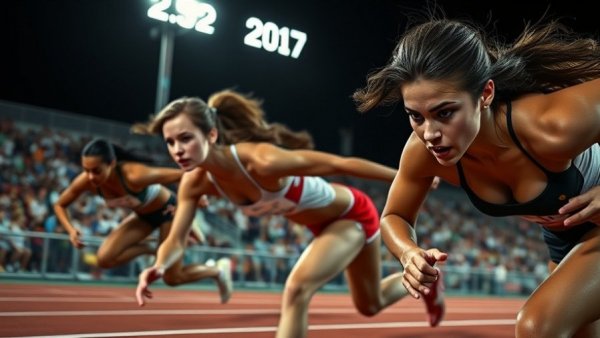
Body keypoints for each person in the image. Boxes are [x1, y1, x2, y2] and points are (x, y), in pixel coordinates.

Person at [353, 12, 600, 338]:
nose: (429, 134)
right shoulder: (422, 152)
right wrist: (408, 252)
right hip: (564, 239)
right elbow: (395, 215)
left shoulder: (554, 126)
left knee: (537, 327)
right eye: (416, 116)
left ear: (485, 94)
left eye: (445, 113)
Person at [132, 89, 445, 337]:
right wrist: (159, 266)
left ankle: (423, 277)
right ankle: (425, 279)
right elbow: (175, 240)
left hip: (351, 215)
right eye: (170, 142)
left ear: (211, 135)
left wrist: (406, 177)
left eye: (185, 138)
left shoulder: (261, 161)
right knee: (370, 304)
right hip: (321, 228)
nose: (177, 150)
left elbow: (341, 164)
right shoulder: (195, 184)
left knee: (296, 290)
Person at [54, 138, 232, 303]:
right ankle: (153, 249)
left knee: (172, 278)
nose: (91, 176)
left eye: (96, 171)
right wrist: (70, 230)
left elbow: (184, 174)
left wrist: (197, 197)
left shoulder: (134, 175)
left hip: (168, 212)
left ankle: (216, 270)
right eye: (86, 170)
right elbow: (60, 204)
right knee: (104, 259)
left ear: (112, 164)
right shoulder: (86, 181)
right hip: (142, 217)